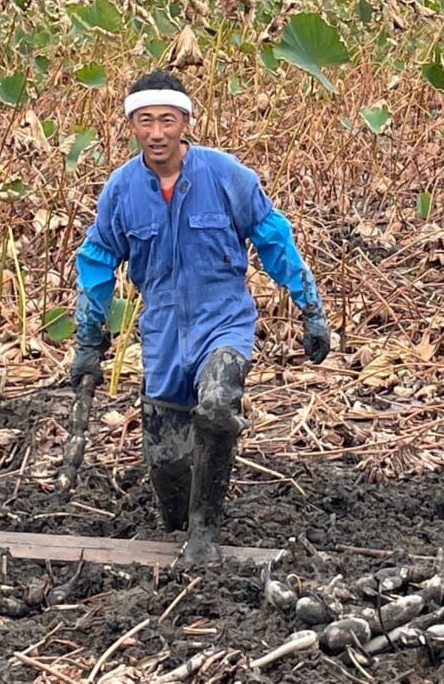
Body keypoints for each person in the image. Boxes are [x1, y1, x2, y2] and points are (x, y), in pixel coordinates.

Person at [69, 70, 331, 564]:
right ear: (131, 126)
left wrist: (309, 306)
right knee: (168, 472)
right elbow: (99, 261)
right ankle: (186, 520)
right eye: (145, 121)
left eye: (167, 120)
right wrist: (88, 342)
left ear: (185, 121)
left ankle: (206, 533)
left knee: (216, 404)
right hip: (164, 333)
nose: (157, 132)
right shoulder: (122, 190)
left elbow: (272, 237)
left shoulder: (225, 175)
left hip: (223, 321)